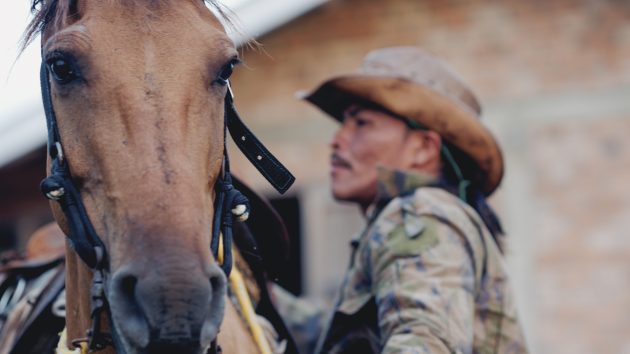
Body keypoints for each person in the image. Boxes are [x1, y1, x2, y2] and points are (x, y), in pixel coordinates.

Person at [275, 46, 529, 354]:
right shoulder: (418, 215)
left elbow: (425, 341)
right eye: (343, 122)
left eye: (361, 123)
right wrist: (250, 283)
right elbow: (332, 338)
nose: (337, 139)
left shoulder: (419, 213)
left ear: (422, 148)